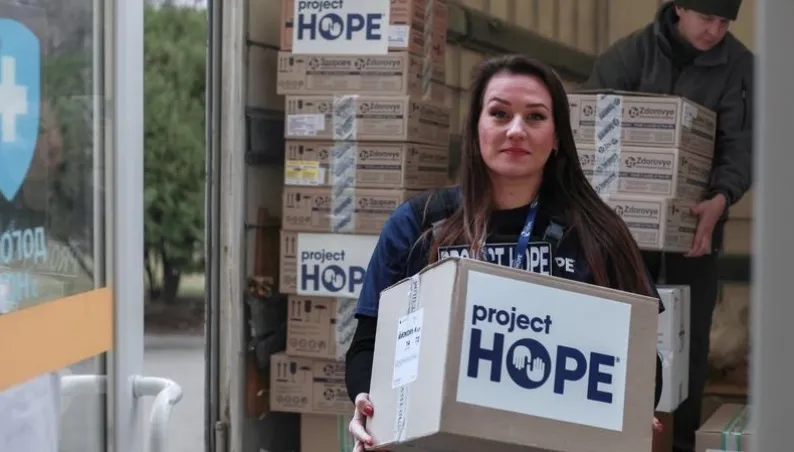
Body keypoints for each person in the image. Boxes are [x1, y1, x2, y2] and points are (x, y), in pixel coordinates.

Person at [344, 54, 666, 452]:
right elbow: (368, 345)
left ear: (558, 136)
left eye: (535, 117)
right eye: (499, 113)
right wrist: (364, 401)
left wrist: (633, 409)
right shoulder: (418, 224)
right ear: (476, 127)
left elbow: (642, 361)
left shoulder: (598, 233)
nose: (516, 130)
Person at [582, 1, 753, 451]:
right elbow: (590, 136)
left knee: (689, 345)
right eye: (707, 18)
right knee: (617, 331)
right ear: (680, 7)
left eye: (724, 22)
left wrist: (721, 198)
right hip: (619, 233)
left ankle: (681, 443)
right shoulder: (627, 57)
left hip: (696, 228)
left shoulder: (739, 67)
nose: (716, 31)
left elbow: (742, 146)